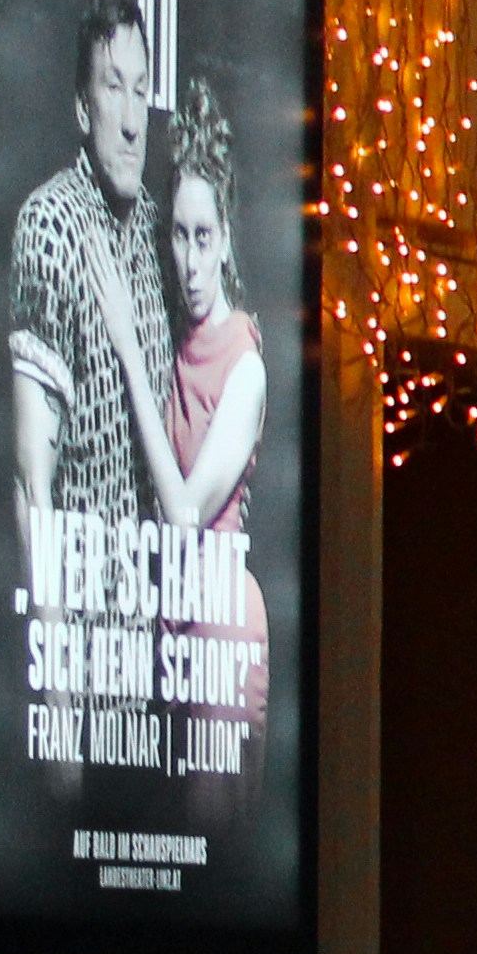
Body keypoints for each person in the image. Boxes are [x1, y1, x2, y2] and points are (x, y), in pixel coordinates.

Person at [7, 0, 163, 680]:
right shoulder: (50, 226)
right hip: (87, 665)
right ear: (82, 108)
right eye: (112, 88)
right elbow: (31, 485)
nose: (132, 121)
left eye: (140, 91)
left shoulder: (162, 236)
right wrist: (61, 699)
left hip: (161, 668)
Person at [146, 80, 277, 793]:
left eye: (204, 236)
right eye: (178, 234)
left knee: (212, 849)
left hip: (221, 633)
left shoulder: (245, 365)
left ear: (225, 237)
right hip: (173, 637)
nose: (189, 259)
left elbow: (187, 511)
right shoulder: (176, 341)